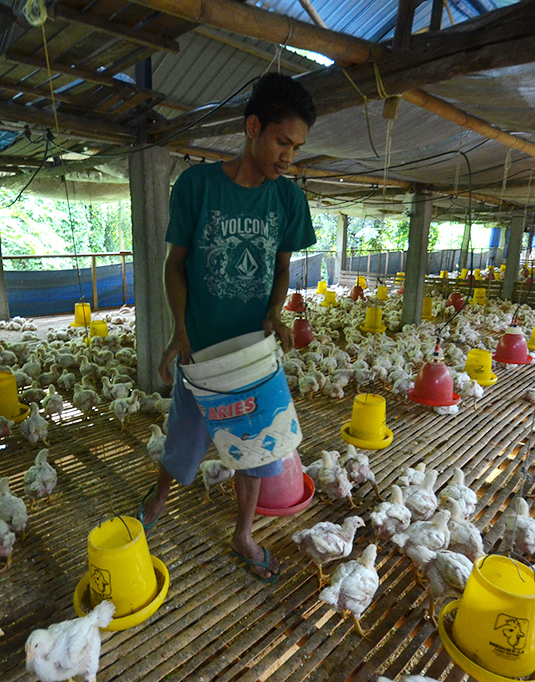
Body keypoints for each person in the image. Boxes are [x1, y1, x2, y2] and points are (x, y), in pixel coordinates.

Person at [137, 73, 317, 582]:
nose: (289, 157)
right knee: (185, 437)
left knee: (256, 448)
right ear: (253, 127)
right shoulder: (196, 186)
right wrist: (179, 330)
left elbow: (281, 269)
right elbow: (177, 263)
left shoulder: (288, 200)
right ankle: (157, 501)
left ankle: (243, 534)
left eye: (297, 147)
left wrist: (273, 314)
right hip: (203, 348)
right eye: (282, 142)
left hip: (253, 354)